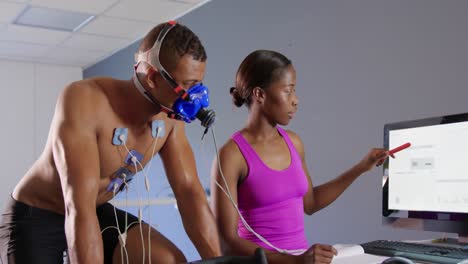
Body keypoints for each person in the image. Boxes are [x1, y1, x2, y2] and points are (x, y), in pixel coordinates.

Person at [0, 21, 221, 263]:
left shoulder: (170, 119)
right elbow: (77, 207)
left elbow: (189, 193)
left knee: (167, 259)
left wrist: (218, 260)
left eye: (199, 84)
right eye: (188, 87)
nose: (197, 98)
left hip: (95, 210)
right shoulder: (84, 100)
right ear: (153, 78)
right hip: (37, 214)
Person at [210, 50, 389, 264]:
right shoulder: (231, 155)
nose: (295, 100)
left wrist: (361, 167)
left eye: (294, 91)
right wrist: (293, 262)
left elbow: (310, 203)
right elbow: (226, 242)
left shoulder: (293, 142)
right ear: (259, 94)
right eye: (288, 91)